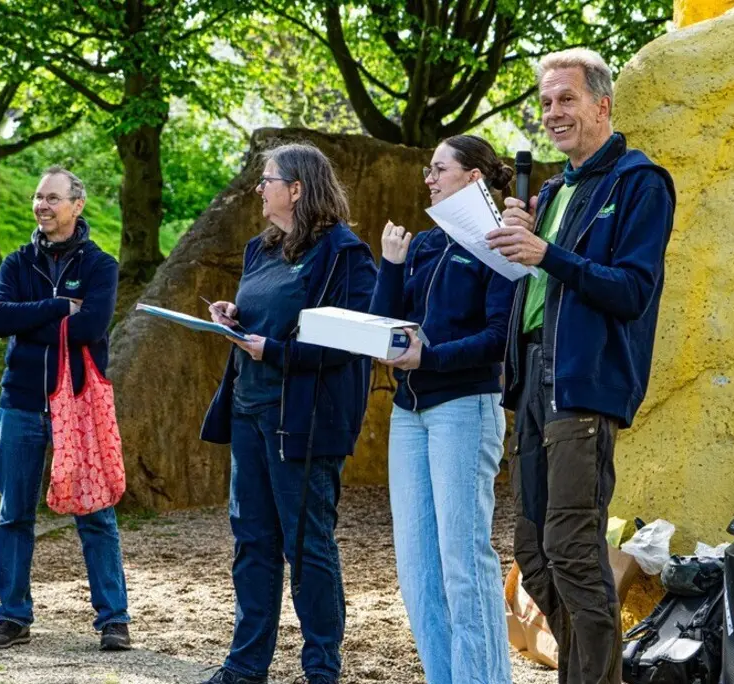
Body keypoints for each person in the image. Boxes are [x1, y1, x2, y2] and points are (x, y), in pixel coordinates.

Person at [486, 48, 676, 684]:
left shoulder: (639, 183)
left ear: (602, 105)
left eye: (566, 98)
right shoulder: (550, 192)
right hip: (532, 379)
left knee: (571, 546)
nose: (553, 113)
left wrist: (547, 253)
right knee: (535, 553)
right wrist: (518, 246)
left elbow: (632, 290)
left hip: (583, 382)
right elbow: (536, 284)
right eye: (545, 102)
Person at [199, 143, 377, 684]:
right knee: (252, 542)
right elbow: (266, 316)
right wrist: (234, 316)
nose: (259, 188)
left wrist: (274, 350)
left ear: (297, 189)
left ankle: (321, 669)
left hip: (302, 421)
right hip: (249, 412)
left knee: (307, 546)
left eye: (268, 179)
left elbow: (352, 343)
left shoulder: (344, 254)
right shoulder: (260, 249)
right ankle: (245, 665)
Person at [368, 135, 516, 683]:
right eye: (428, 170)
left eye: (439, 169)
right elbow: (385, 327)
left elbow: (499, 339)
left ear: (473, 177)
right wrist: (391, 265)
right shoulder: (427, 243)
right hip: (409, 412)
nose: (428, 178)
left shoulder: (499, 241)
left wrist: (427, 358)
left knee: (463, 564)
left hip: (464, 407)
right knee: (417, 568)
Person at [0, 166, 130, 651]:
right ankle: (12, 617)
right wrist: (59, 306)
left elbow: (90, 328)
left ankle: (114, 620)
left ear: (77, 205)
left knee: (95, 511)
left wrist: (29, 320)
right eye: (38, 197)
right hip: (21, 402)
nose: (42, 205)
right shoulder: (17, 262)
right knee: (13, 514)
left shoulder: (101, 265)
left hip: (79, 406)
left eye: (52, 198)